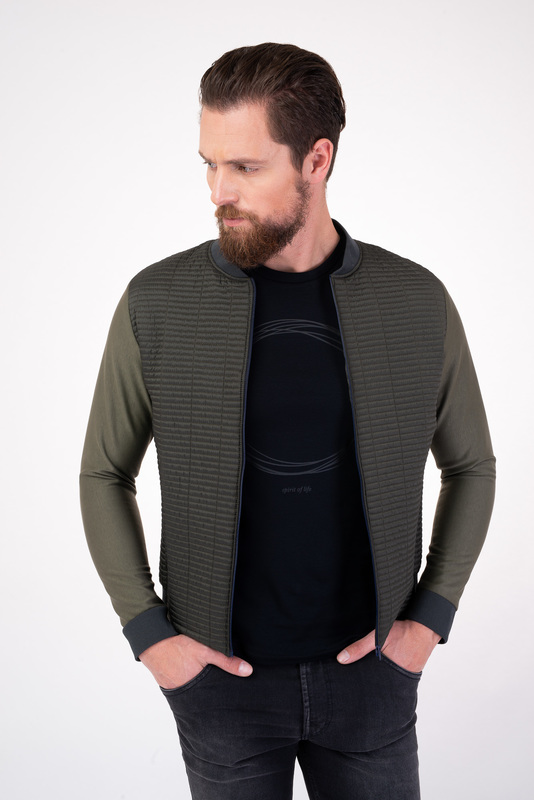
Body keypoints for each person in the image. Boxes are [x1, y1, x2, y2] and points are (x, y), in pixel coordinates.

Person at [80, 42, 496, 799]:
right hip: (219, 688)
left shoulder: (414, 300)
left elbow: (471, 466)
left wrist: (428, 619)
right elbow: (104, 473)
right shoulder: (157, 302)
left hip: (373, 680)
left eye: (245, 167)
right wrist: (150, 634)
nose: (218, 191)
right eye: (209, 164)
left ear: (317, 159)